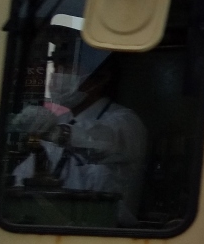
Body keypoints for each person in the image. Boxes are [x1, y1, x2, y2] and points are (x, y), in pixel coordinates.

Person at [11, 54, 147, 226]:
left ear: (101, 78)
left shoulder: (125, 121)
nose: (56, 77)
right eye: (56, 69)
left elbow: (101, 141)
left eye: (67, 69)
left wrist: (56, 133)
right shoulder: (61, 121)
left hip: (108, 232)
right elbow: (24, 176)